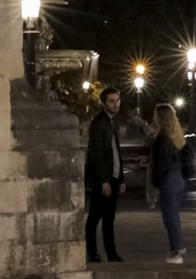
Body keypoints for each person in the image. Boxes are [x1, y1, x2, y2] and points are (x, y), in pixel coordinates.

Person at [85, 87, 126, 263]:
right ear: (103, 103)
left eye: (117, 100)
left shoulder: (112, 123)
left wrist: (121, 178)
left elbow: (116, 151)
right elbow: (97, 154)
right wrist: (103, 181)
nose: (115, 104)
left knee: (108, 218)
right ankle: (93, 253)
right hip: (104, 179)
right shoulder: (99, 124)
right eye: (111, 101)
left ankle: (111, 253)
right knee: (95, 217)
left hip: (113, 177)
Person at [146, 103, 190, 264]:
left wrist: (155, 186)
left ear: (160, 118)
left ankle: (177, 251)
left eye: (155, 115)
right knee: (174, 215)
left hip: (168, 180)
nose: (153, 118)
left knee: (170, 217)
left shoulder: (162, 138)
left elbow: (160, 165)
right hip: (178, 178)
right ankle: (177, 249)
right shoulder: (177, 136)